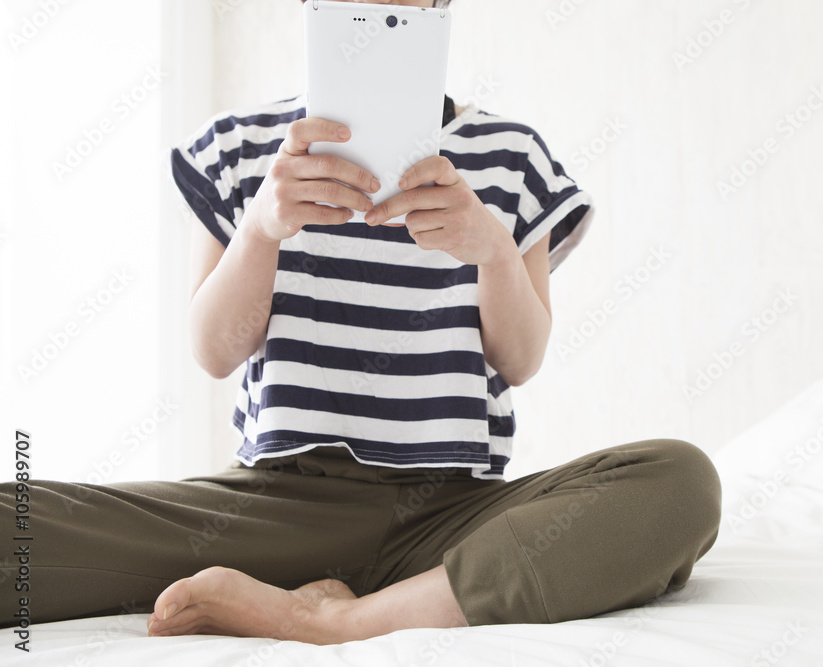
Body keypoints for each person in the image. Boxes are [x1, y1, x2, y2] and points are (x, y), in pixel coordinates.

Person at [0, 0, 722, 645]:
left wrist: (493, 252)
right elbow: (215, 351)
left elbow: (521, 357)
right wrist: (260, 229)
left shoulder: (513, 159)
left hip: (454, 519)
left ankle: (336, 619)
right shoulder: (243, 148)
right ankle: (352, 601)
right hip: (274, 509)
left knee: (680, 482)